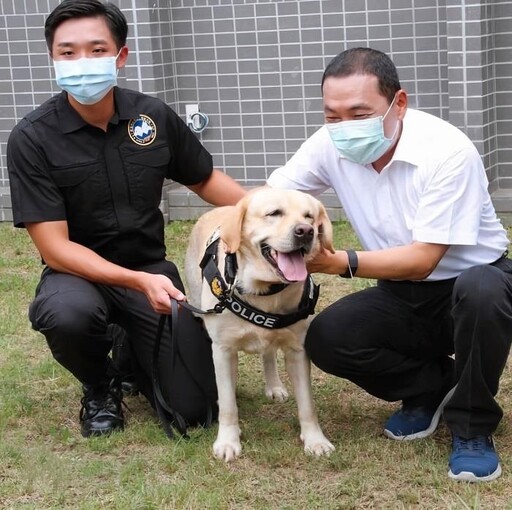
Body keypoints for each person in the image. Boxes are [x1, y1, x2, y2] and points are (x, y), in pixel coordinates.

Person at [267, 47, 512, 482]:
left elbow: (423, 260)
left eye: (359, 113)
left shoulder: (447, 150)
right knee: (327, 337)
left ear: (399, 103)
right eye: (332, 115)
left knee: (481, 289)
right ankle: (433, 387)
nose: (344, 128)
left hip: (473, 288)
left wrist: (339, 262)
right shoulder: (329, 142)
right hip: (401, 290)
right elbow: (269, 198)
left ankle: (472, 426)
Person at [7, 0, 246, 438]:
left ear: (121, 55)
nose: (83, 62)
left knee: (194, 409)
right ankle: (100, 386)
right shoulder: (32, 138)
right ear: (53, 59)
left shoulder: (150, 116)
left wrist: (271, 213)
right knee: (67, 314)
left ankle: (133, 349)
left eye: (97, 50)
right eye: (68, 52)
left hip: (151, 269)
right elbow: (54, 248)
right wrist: (136, 283)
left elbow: (209, 183)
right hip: (76, 274)